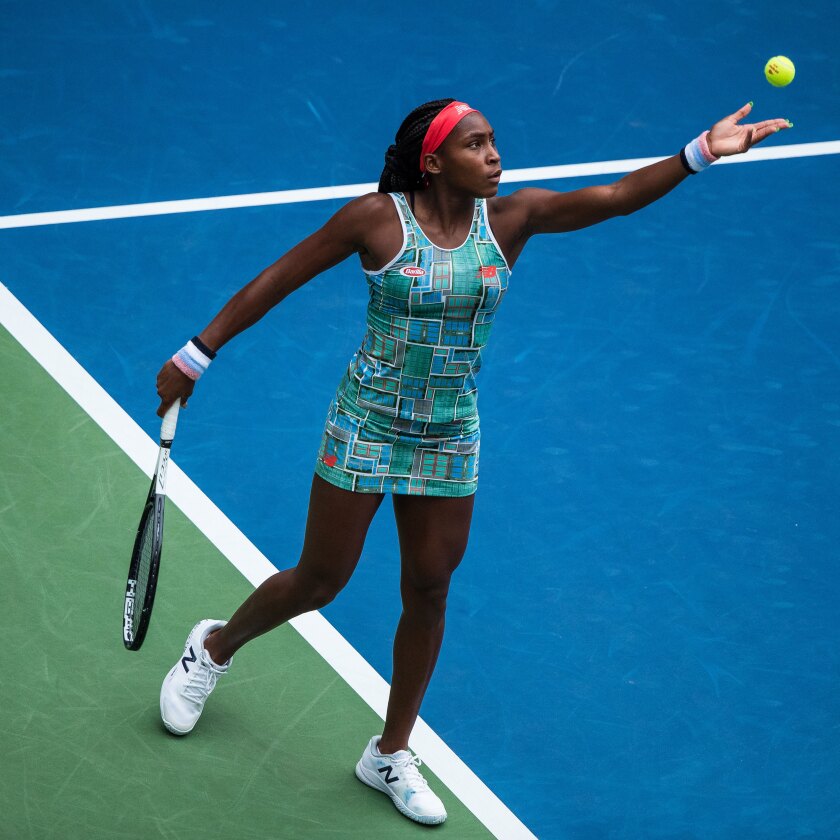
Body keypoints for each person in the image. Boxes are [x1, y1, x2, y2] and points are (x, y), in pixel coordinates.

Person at [155, 98, 790, 826]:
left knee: (429, 589)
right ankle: (213, 647)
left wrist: (700, 152)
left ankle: (388, 753)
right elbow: (278, 278)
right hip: (365, 422)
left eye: (493, 141)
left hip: (449, 432)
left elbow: (613, 199)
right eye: (476, 144)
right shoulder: (375, 220)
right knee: (321, 579)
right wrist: (195, 356)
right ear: (433, 161)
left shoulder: (513, 220)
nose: (494, 155)